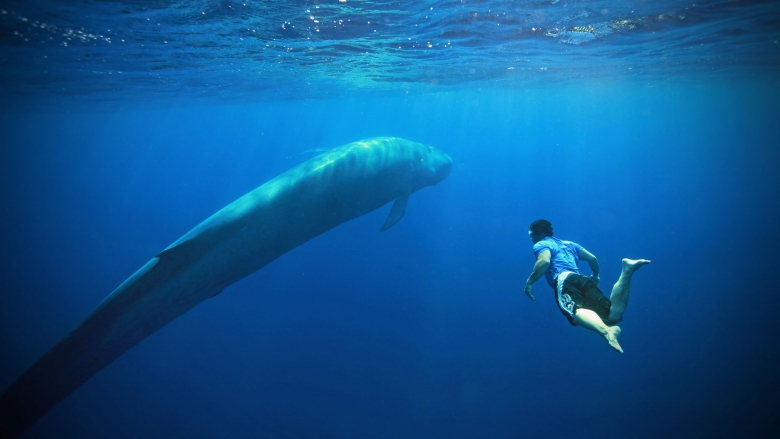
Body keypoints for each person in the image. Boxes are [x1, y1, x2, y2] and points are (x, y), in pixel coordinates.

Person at [523, 219, 650, 353]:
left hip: (564, 279)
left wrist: (529, 283)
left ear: (541, 233)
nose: (531, 238)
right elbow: (592, 258)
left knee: (574, 311)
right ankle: (627, 271)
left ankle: (607, 332)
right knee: (612, 316)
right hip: (581, 278)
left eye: (532, 235)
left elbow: (544, 261)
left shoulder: (541, 244)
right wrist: (595, 276)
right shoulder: (569, 244)